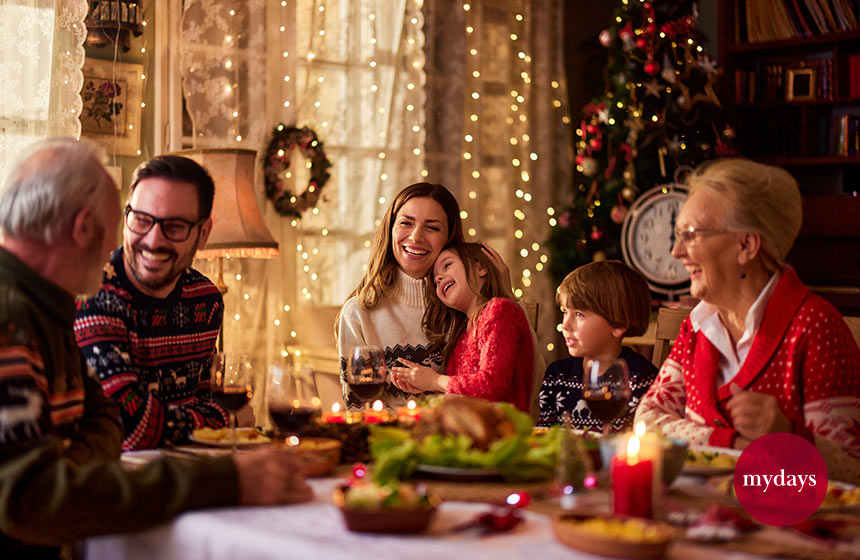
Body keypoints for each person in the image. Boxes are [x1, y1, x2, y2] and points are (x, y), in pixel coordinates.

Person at [0, 138, 311, 558]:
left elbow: (103, 415)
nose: (132, 244)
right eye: (127, 222)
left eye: (174, 226)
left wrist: (69, 466)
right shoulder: (11, 320)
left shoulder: (44, 308)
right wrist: (227, 480)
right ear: (85, 227)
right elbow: (30, 500)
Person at [634, 158, 860, 481]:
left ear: (746, 245)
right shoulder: (696, 328)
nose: (676, 252)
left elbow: (852, 473)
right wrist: (729, 444)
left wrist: (788, 437)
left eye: (691, 235)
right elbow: (647, 419)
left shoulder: (815, 328)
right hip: (702, 516)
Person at [74, 155, 251, 450]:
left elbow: (206, 399)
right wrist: (226, 418)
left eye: (175, 226)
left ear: (203, 233)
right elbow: (128, 427)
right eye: (141, 220)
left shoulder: (206, 300)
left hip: (195, 472)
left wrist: (212, 417)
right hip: (119, 480)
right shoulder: (95, 294)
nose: (153, 241)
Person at [336, 182, 511, 409]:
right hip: (390, 440)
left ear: (448, 239)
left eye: (432, 228)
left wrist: (504, 295)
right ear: (390, 230)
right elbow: (357, 407)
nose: (416, 237)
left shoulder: (466, 306)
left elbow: (525, 379)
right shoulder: (358, 313)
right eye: (406, 224)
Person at [390, 242, 534, 413]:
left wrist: (435, 381)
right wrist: (425, 386)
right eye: (435, 281)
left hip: (502, 432)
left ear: (480, 268)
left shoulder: (500, 310)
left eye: (447, 265)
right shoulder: (462, 333)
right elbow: (461, 393)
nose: (438, 278)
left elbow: (491, 387)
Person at [536, 261, 657, 431]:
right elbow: (544, 435)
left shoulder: (640, 380)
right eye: (565, 312)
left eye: (579, 314)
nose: (565, 325)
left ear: (618, 324)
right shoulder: (557, 375)